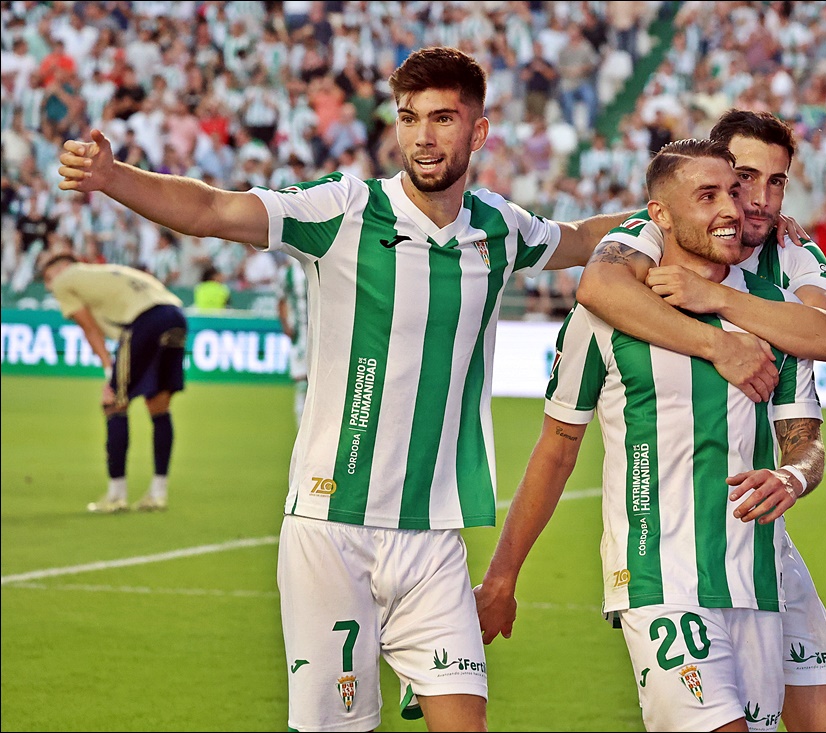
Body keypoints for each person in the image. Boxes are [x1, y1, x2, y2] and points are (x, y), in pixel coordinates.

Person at [55, 46, 681, 733]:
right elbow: (214, 210)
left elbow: (582, 238)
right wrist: (114, 176)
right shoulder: (345, 209)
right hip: (331, 528)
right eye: (409, 117)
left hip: (434, 534)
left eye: (443, 118)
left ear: (478, 130)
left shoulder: (499, 230)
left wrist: (671, 216)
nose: (423, 135)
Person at [476, 139, 826, 732]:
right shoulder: (602, 316)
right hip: (656, 579)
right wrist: (503, 576)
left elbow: (807, 441)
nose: (731, 210)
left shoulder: (772, 310)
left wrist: (793, 474)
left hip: (756, 583)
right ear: (658, 215)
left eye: (734, 194)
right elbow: (558, 448)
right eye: (707, 196)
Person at [575, 110, 826, 731]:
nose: (755, 200)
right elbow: (598, 286)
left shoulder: (794, 249)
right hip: (667, 550)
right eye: (742, 178)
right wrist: (718, 344)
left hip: (756, 545)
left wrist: (722, 301)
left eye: (775, 183)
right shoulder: (645, 231)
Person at [38, 251, 188, 514]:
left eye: (48, 278)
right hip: (175, 316)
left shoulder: (64, 281)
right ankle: (158, 493)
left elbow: (89, 329)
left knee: (113, 403)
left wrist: (109, 370)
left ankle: (116, 495)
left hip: (144, 321)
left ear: (60, 269)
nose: (50, 286)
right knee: (158, 406)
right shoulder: (106, 273)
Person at [276, 258, 310, 426]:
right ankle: (301, 428)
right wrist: (285, 324)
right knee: (302, 384)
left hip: (320, 334)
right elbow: (281, 300)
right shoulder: (287, 273)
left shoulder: (316, 266)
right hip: (299, 335)